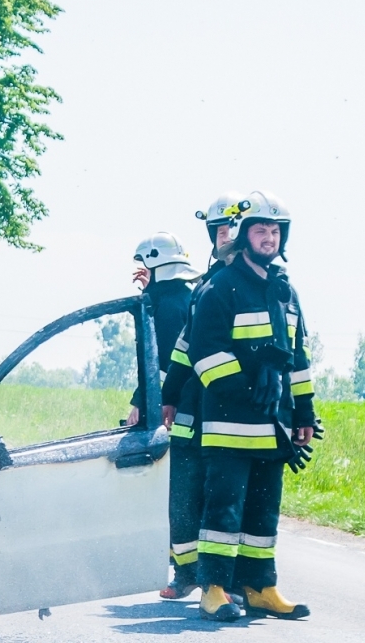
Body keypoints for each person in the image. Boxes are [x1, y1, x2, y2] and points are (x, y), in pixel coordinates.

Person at [187, 191, 317, 621]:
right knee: (223, 510)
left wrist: (303, 413)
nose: (269, 238)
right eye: (260, 230)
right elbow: (205, 354)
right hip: (230, 425)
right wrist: (248, 386)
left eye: (275, 231)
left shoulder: (286, 291)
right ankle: (214, 590)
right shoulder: (221, 287)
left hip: (274, 426)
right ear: (244, 236)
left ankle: (260, 587)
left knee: (263, 512)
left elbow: (298, 357)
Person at [157, 194, 248, 599]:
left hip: (233, 414)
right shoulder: (205, 286)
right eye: (220, 229)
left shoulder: (260, 287)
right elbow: (184, 346)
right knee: (183, 495)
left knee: (226, 501)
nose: (227, 235)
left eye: (233, 227)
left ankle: (230, 581)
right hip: (193, 412)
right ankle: (187, 572)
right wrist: (169, 395)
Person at [125, 232, 199, 428]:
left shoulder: (168, 308)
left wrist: (142, 403)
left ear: (157, 267)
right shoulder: (184, 297)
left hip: (173, 407)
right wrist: (150, 291)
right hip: (185, 400)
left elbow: (163, 363)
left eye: (147, 268)